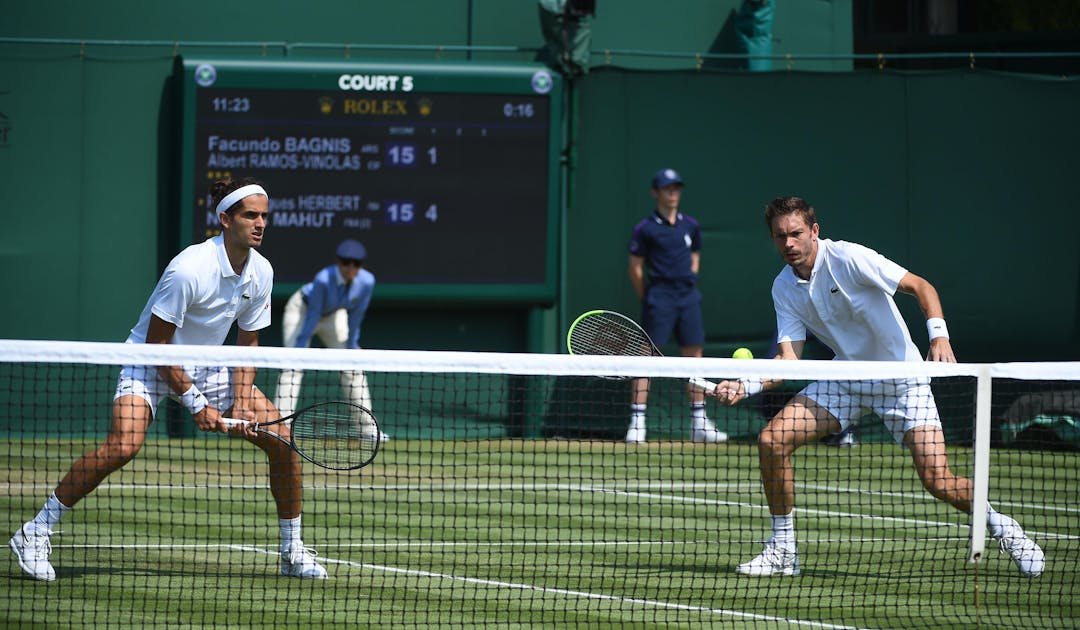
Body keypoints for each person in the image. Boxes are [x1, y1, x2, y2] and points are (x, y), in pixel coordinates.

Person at [9, 177, 328, 581]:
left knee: (283, 443)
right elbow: (159, 346)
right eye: (251, 215)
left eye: (264, 215)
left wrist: (242, 396)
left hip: (208, 365)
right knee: (123, 446)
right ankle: (35, 531)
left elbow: (248, 341)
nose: (260, 223)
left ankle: (292, 550)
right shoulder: (189, 269)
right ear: (226, 220)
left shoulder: (261, 271)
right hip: (150, 360)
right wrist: (198, 404)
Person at [709, 196, 1044, 577]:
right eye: (780, 236)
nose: (789, 244)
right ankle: (784, 550)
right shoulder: (783, 288)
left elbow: (920, 286)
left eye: (796, 234)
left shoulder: (850, 258)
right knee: (772, 441)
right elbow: (788, 361)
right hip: (847, 380)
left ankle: (1004, 527)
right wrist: (745, 384)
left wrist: (939, 337)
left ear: (814, 232)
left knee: (938, 481)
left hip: (904, 382)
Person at [626, 168, 727, 444]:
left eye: (676, 188)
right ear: (655, 192)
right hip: (659, 296)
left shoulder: (690, 226)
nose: (673, 192)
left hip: (687, 297)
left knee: (693, 356)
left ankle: (700, 423)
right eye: (667, 188)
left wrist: (691, 276)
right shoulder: (645, 228)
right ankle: (637, 423)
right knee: (645, 358)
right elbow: (635, 267)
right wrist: (648, 296)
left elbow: (695, 255)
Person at [273, 238, 386, 442]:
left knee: (353, 367)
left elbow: (356, 315)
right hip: (302, 311)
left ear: (362, 266)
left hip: (334, 315)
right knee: (292, 367)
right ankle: (280, 428)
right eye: (345, 262)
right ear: (338, 262)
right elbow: (313, 315)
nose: (350, 268)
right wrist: (298, 351)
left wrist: (352, 345)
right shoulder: (323, 279)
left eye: (356, 263)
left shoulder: (367, 282)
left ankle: (367, 430)